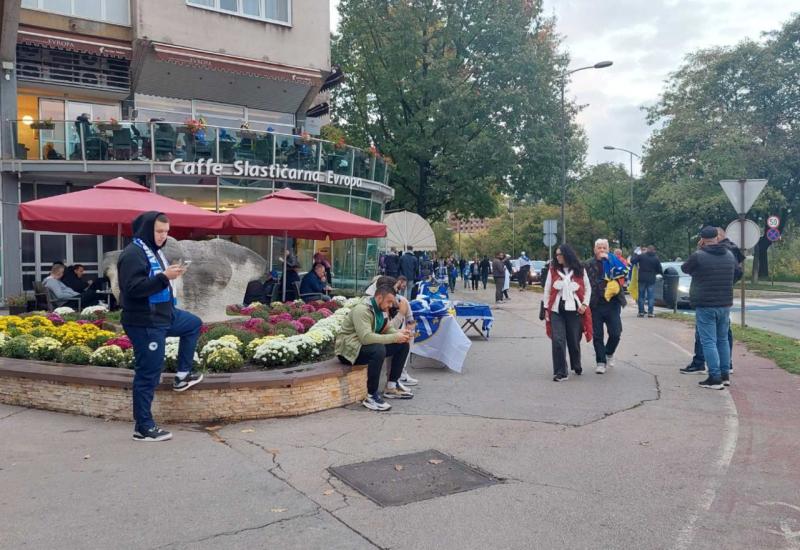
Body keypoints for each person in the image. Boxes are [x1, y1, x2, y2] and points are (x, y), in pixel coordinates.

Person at [117, 211, 203, 442]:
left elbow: (156, 281)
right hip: (145, 322)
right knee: (148, 374)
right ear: (146, 230)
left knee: (193, 324)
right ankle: (143, 427)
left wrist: (170, 274)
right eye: (158, 231)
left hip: (165, 315)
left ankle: (183, 375)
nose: (163, 236)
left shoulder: (155, 252)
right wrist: (165, 277)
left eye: (166, 232)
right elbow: (133, 289)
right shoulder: (133, 254)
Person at [335, 279, 414, 410]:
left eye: (391, 302)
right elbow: (366, 338)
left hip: (363, 347)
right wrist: (394, 337)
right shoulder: (362, 310)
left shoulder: (381, 309)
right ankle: (371, 396)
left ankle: (391, 387)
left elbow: (387, 328)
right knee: (378, 350)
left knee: (403, 344)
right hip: (349, 351)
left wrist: (401, 334)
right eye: (388, 302)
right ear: (379, 297)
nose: (390, 305)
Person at [680, 226, 737, 389]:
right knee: (723, 339)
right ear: (717, 237)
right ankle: (725, 374)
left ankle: (714, 377)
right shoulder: (729, 254)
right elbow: (737, 272)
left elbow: (685, 268)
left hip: (705, 304)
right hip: (725, 303)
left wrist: (700, 250)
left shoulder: (699, 255)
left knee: (708, 341)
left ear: (702, 239)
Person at [543, 244, 592, 381]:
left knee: (574, 340)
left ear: (567, 255)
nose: (557, 257)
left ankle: (576, 364)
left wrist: (584, 304)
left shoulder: (579, 270)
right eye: (556, 255)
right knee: (558, 340)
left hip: (575, 310)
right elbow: (547, 290)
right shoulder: (553, 270)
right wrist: (547, 309)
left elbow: (587, 288)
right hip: (556, 310)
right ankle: (560, 372)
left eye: (560, 254)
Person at [365, 275, 419, 387]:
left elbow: (389, 327)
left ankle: (393, 383)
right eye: (394, 290)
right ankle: (372, 393)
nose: (396, 293)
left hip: (376, 339)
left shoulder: (393, 301)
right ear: (383, 294)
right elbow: (377, 332)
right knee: (380, 349)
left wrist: (405, 330)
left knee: (403, 341)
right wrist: (401, 314)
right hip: (363, 346)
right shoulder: (370, 306)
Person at [585, 238, 629, 374]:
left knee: (616, 333)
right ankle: (600, 362)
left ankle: (609, 352)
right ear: (595, 250)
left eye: (604, 248)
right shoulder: (588, 264)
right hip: (595, 304)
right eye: (599, 248)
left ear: (608, 250)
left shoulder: (614, 261)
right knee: (597, 335)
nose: (602, 250)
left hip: (613, 303)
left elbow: (625, 273)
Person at [631, 245, 663, 318]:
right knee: (651, 296)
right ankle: (650, 313)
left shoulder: (642, 256)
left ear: (647, 250)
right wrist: (659, 274)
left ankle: (641, 312)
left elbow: (633, 261)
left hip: (642, 278)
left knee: (641, 296)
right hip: (651, 278)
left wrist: (635, 254)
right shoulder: (656, 258)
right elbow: (659, 269)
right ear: (654, 250)